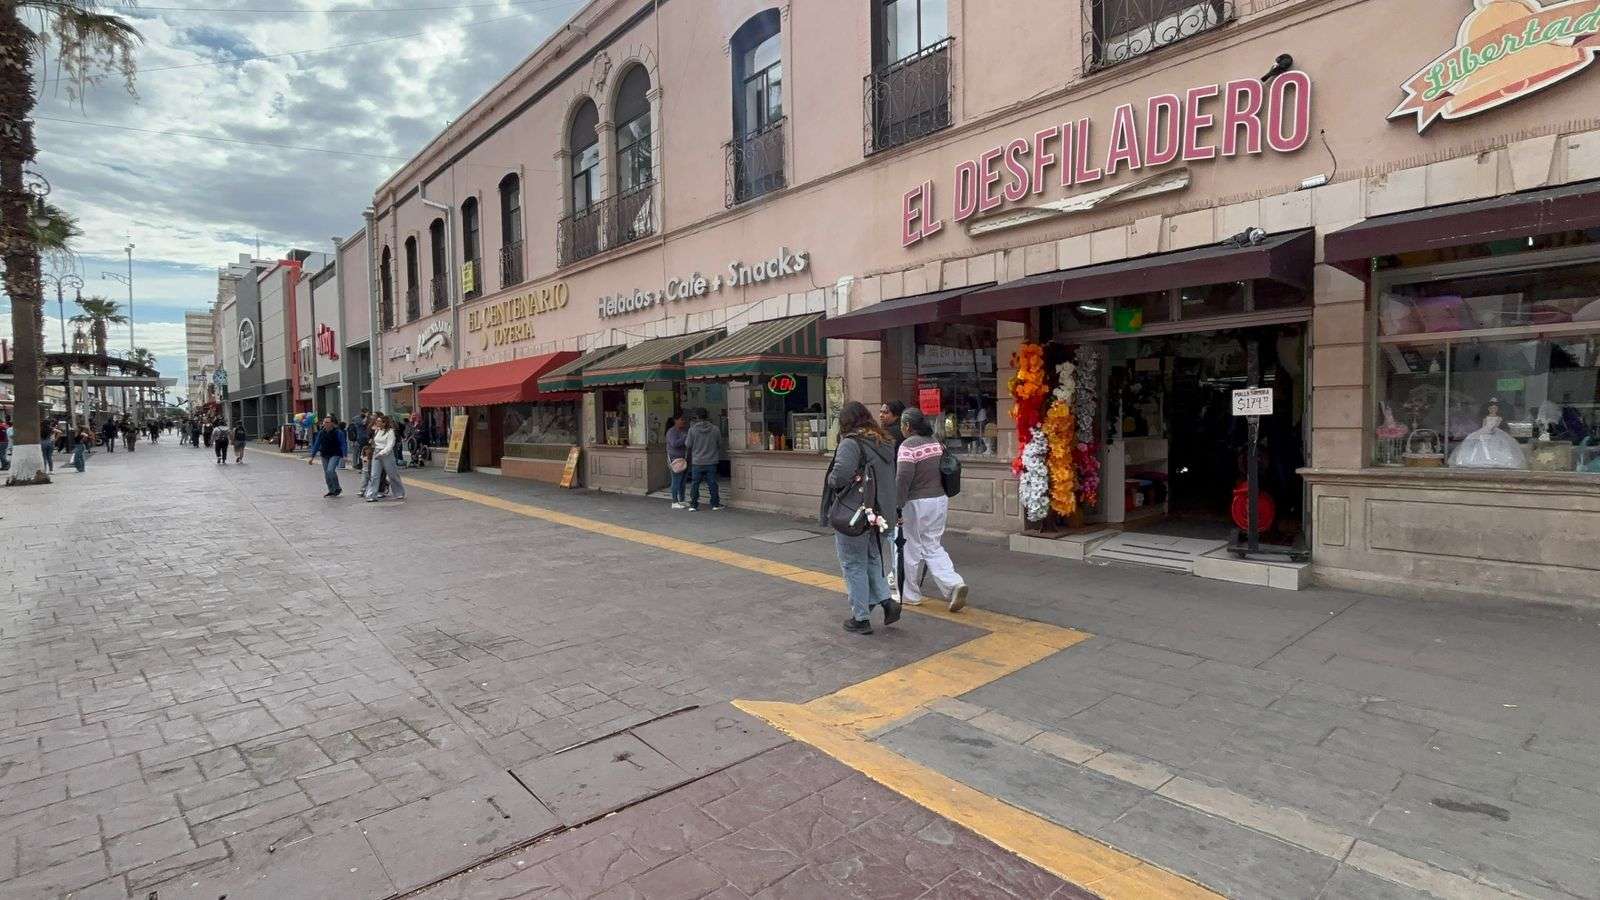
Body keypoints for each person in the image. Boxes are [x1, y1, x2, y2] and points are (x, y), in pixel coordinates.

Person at [825, 401, 900, 635]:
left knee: (853, 564)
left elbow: (839, 477)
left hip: (855, 514)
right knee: (872, 558)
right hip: (880, 514)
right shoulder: (883, 441)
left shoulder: (851, 443)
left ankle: (861, 618)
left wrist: (830, 479)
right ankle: (886, 601)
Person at [896, 409, 968, 612]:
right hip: (939, 500)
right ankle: (954, 584)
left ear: (907, 426)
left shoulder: (908, 446)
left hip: (916, 503)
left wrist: (897, 505)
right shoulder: (936, 442)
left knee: (909, 548)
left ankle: (909, 594)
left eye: (902, 424)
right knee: (932, 545)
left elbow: (903, 478)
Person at [686, 408, 723, 511]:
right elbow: (719, 444)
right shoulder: (715, 429)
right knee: (712, 483)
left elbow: (688, 445)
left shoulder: (692, 430)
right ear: (707, 416)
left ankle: (693, 505)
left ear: (697, 417)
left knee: (695, 483)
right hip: (711, 461)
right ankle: (715, 504)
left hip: (697, 461)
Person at [364, 414, 405, 502]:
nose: (377, 422)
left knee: (392, 474)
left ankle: (399, 492)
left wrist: (381, 453)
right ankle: (372, 495)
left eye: (379, 421)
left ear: (384, 423)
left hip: (387, 454)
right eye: (377, 421)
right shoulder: (377, 430)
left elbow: (390, 445)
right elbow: (374, 441)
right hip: (376, 452)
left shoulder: (390, 432)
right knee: (374, 475)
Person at [307, 416, 349, 497]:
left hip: (335, 454)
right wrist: (312, 457)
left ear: (332, 423)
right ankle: (331, 490)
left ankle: (337, 488)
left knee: (330, 470)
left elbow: (343, 444)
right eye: (324, 422)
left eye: (327, 422)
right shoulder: (321, 433)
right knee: (327, 473)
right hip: (324, 454)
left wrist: (345, 455)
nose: (325, 424)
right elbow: (317, 444)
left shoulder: (338, 432)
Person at [666, 414, 690, 509]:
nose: (683, 421)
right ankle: (674, 501)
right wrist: (684, 438)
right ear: (675, 420)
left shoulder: (683, 431)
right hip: (675, 460)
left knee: (682, 481)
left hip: (684, 459)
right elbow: (674, 443)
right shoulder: (671, 431)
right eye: (681, 419)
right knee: (676, 480)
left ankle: (682, 500)